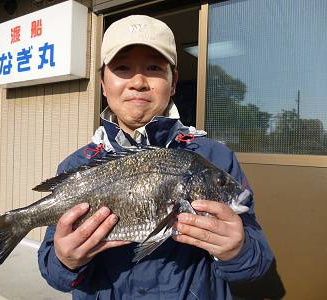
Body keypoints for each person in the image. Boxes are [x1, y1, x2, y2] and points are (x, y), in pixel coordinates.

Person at [38, 15, 273, 299]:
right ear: (103, 84)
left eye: (153, 68)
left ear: (173, 82)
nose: (138, 82)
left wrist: (237, 250)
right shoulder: (77, 167)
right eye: (122, 68)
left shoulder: (215, 159)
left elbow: (258, 263)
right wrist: (66, 261)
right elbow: (54, 273)